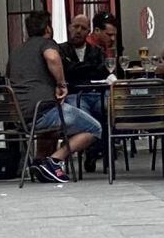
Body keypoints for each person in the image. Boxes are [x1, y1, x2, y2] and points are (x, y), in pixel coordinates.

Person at [6, 11, 101, 184]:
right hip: (42, 111)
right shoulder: (47, 43)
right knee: (95, 128)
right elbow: (52, 57)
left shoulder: (16, 51)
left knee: (53, 127)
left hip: (19, 116)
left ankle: (40, 162)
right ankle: (54, 161)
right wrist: (61, 84)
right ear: (48, 28)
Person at [57, 13, 108, 172]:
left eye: (83, 28)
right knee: (83, 116)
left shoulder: (97, 51)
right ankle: (90, 150)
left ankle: (96, 150)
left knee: (110, 110)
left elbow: (101, 72)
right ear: (69, 27)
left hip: (95, 93)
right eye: (75, 26)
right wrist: (87, 68)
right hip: (74, 94)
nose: (78, 31)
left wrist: (78, 69)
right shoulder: (60, 50)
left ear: (88, 32)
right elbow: (67, 72)